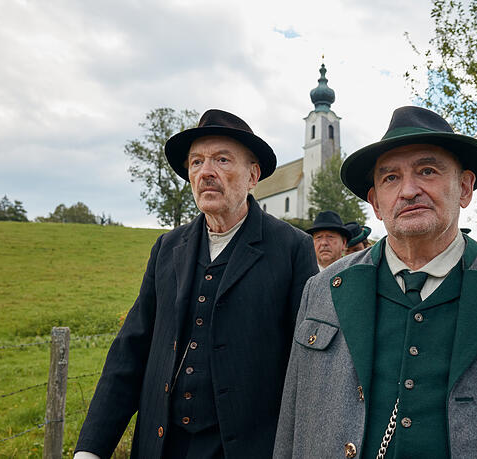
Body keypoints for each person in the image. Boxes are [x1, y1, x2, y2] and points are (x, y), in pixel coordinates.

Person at [274, 106, 477, 458]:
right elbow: (292, 423)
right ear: (376, 203)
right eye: (390, 178)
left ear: (465, 187)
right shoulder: (323, 291)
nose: (408, 190)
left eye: (427, 170)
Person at [75, 109, 317, 459]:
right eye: (196, 162)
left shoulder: (291, 248)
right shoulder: (168, 248)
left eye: (221, 159)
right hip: (162, 446)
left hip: (246, 448)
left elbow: (305, 366)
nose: (206, 173)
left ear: (253, 175)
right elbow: (132, 349)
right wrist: (91, 449)